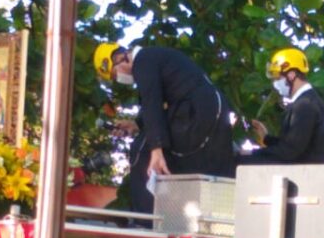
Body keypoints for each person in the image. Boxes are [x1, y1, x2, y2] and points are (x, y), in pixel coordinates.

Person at [94, 42, 236, 213]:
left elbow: (151, 103)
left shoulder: (142, 61)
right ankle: (191, 216)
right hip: (214, 112)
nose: (118, 79)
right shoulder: (155, 57)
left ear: (117, 59)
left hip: (193, 113)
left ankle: (146, 221)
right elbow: (163, 103)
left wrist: (156, 149)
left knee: (142, 151)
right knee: (193, 168)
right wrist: (137, 124)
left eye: (114, 75)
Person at [241, 47, 324, 165]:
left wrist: (252, 154)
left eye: (278, 78)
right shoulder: (305, 101)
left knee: (240, 162)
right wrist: (266, 138)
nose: (275, 83)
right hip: (304, 170)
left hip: (306, 176)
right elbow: (293, 144)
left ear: (292, 75)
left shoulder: (305, 105)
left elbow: (289, 152)